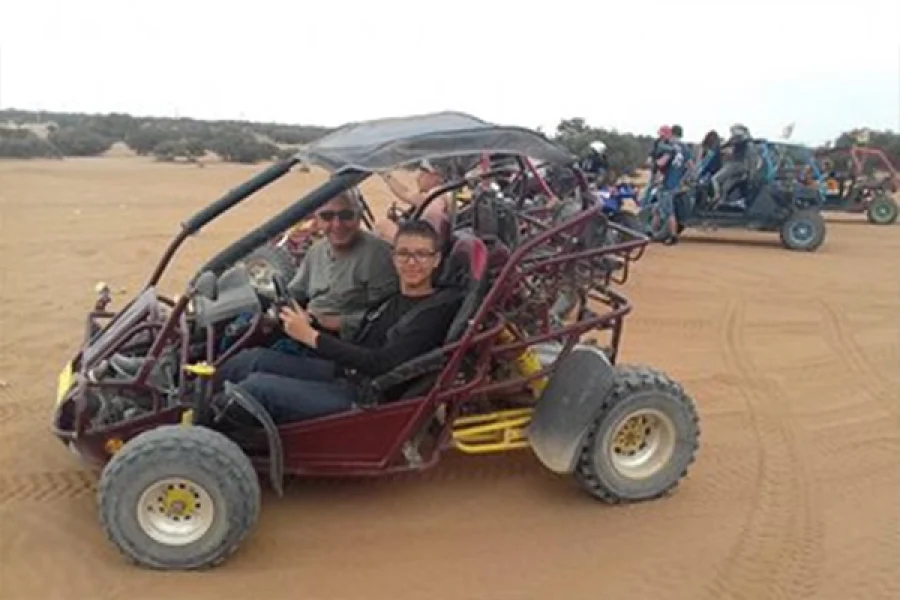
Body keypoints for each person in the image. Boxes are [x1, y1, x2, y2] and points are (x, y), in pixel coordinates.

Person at [214, 220, 463, 424]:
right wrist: (311, 324)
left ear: (436, 260)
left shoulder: (433, 312)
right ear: (394, 257)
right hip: (345, 374)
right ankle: (189, 404)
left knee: (257, 388)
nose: (412, 262)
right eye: (405, 254)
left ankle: (201, 440)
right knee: (251, 359)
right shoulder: (394, 298)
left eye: (421, 255)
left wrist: (312, 337)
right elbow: (360, 342)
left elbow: (382, 364)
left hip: (369, 398)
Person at [377, 159, 449, 242]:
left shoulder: (436, 195)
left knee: (383, 226)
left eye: (424, 170)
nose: (419, 175)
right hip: (428, 241)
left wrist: (385, 175)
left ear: (438, 176)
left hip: (423, 245)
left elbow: (405, 193)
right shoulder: (444, 194)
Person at [650, 125, 692, 245]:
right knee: (657, 210)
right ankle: (651, 233)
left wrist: (655, 163)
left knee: (668, 211)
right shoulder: (684, 147)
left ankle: (673, 236)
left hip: (667, 184)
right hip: (676, 184)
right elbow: (690, 165)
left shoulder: (669, 148)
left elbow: (662, 163)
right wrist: (683, 178)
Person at [711, 124, 753, 207]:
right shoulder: (747, 140)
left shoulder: (737, 138)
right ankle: (721, 203)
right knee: (726, 186)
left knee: (715, 179)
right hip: (743, 167)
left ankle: (716, 195)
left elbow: (725, 145)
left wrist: (718, 147)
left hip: (735, 164)